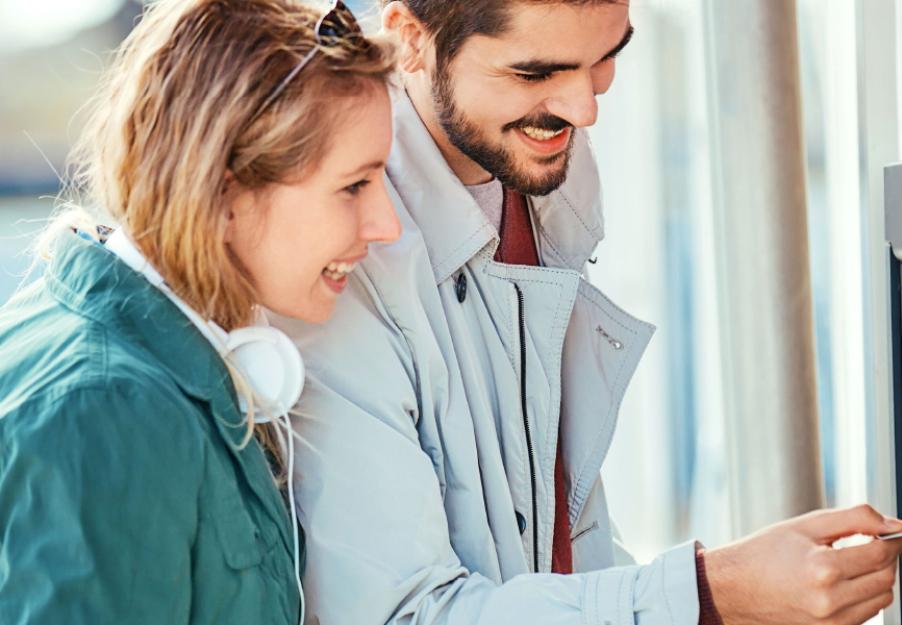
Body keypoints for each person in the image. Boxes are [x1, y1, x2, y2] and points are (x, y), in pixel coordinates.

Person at [271, 1, 902, 624]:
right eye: (535, 72)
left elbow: (557, 544)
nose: (585, 107)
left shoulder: (538, 162)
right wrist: (714, 593)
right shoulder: (338, 252)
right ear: (410, 36)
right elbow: (403, 614)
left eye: (606, 56)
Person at [0, 0, 399, 623]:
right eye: (354, 186)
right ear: (222, 192)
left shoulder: (137, 354)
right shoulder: (107, 415)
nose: (386, 225)